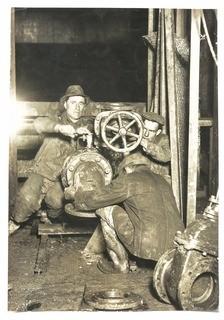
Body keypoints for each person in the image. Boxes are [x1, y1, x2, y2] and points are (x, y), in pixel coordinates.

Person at [67, 152, 184, 273]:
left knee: (104, 209)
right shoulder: (162, 180)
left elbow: (95, 200)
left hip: (147, 246)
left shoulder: (130, 179)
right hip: (173, 247)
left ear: (127, 168)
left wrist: (75, 194)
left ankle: (119, 264)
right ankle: (138, 260)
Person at [9, 85, 94, 235]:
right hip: (43, 170)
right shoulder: (56, 119)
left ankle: (48, 216)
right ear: (66, 104)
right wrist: (59, 128)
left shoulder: (86, 125)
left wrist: (91, 139)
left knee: (56, 202)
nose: (77, 107)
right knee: (26, 199)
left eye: (81, 103)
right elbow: (39, 123)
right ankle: (13, 223)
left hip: (64, 177)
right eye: (73, 102)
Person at [140, 112, 171, 178]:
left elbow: (167, 156)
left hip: (160, 177)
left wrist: (148, 146)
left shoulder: (164, 140)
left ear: (158, 132)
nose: (146, 134)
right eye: (144, 128)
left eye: (151, 131)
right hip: (141, 175)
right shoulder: (136, 137)